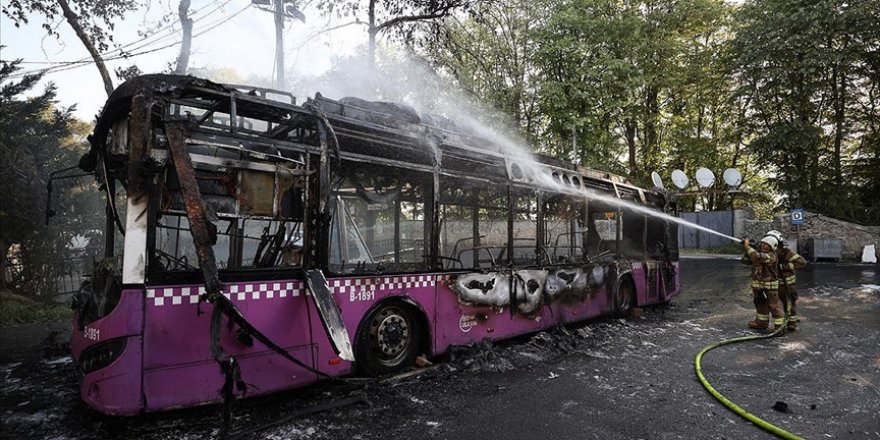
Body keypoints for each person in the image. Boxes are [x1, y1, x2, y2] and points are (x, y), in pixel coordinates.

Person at [741, 234, 784, 331]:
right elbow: (745, 261)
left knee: (773, 306)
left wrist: (747, 247)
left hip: (770, 286)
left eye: (766, 245)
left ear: (772, 247)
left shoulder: (771, 256)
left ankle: (780, 327)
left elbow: (756, 257)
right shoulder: (758, 254)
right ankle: (761, 323)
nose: (763, 246)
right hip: (758, 285)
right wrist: (749, 249)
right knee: (760, 303)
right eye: (762, 244)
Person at [766, 230, 807, 331]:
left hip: (787, 284)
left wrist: (783, 266)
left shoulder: (786, 252)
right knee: (773, 304)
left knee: (789, 303)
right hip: (774, 283)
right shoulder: (769, 252)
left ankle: (791, 323)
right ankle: (780, 323)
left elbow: (802, 262)